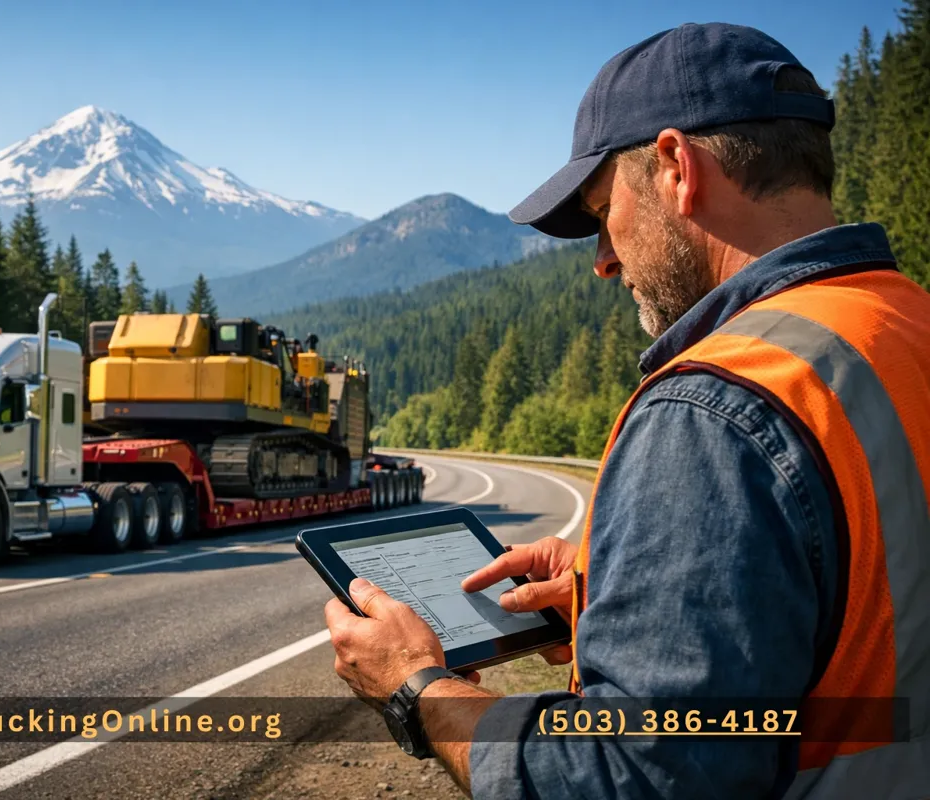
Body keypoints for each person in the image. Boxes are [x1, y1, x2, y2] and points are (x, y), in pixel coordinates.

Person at [323, 21, 930, 799]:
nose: (605, 262)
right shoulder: (902, 323)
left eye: (605, 208)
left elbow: (630, 775)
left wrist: (418, 691)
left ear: (677, 168)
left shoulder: (714, 408)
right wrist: (624, 592)